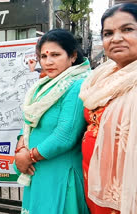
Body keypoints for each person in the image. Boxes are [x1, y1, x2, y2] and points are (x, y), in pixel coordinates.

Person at [14, 29, 90, 214]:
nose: (48, 61)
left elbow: (65, 136)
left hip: (60, 172)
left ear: (72, 56)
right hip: (38, 171)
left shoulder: (77, 84)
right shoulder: (44, 85)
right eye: (43, 56)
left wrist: (28, 157)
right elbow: (28, 124)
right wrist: (20, 149)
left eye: (55, 55)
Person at [79, 3, 137, 214]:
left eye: (127, 29)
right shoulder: (99, 78)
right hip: (95, 181)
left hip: (128, 189)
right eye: (108, 33)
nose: (116, 38)